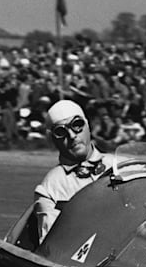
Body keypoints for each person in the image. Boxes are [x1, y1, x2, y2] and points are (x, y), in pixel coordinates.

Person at [33, 99, 106, 243]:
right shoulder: (50, 187)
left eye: (77, 125)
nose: (72, 136)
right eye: (61, 132)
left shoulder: (121, 165)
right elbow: (52, 245)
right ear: (53, 140)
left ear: (88, 126)